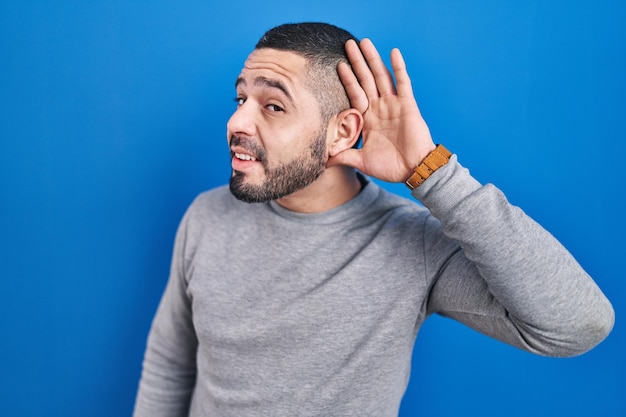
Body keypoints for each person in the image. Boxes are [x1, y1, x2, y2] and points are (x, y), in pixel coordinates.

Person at [133, 22, 614, 417]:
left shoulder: (412, 243)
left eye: (273, 106)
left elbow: (577, 325)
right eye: (241, 100)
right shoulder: (206, 216)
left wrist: (435, 174)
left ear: (342, 131)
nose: (237, 124)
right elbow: (171, 363)